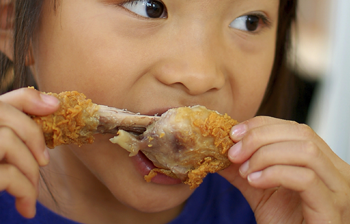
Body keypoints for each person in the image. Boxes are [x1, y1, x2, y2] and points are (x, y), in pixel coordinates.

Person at [0, 0, 349, 223]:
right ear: (14, 22)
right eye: (148, 6)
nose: (200, 75)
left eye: (249, 21)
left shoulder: (291, 211)